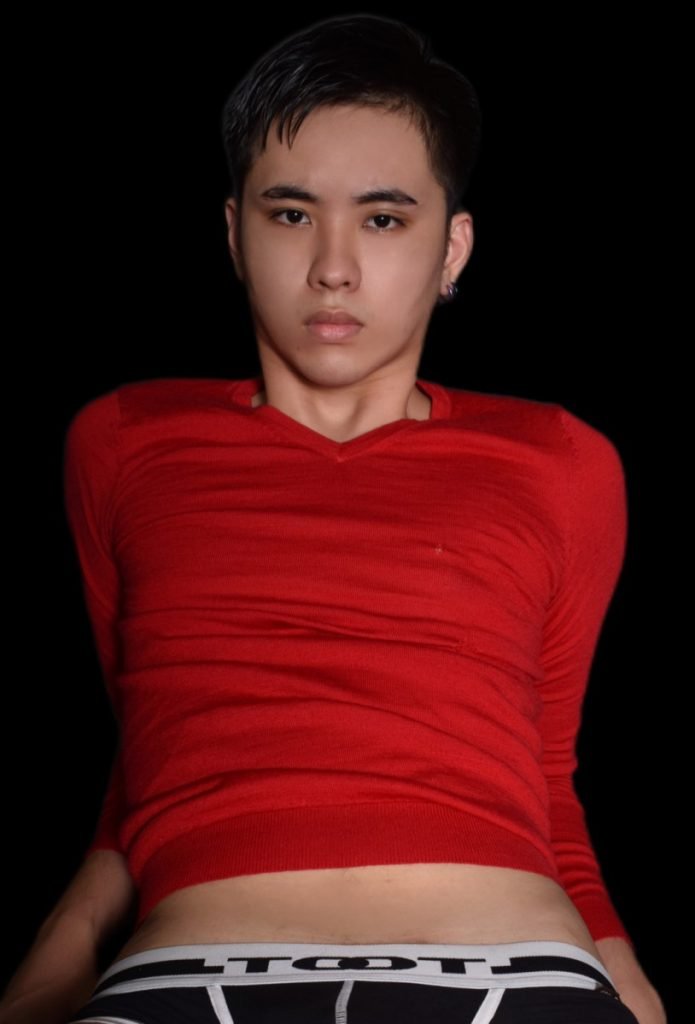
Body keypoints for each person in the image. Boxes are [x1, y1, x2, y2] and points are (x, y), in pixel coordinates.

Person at [1, 14, 665, 1024]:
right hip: (197, 974)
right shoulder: (125, 440)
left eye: (384, 219)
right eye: (291, 214)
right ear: (235, 233)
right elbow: (154, 747)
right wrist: (55, 968)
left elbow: (541, 776)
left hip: (510, 974)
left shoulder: (560, 461)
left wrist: (629, 989)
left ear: (452, 247)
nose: (334, 268)